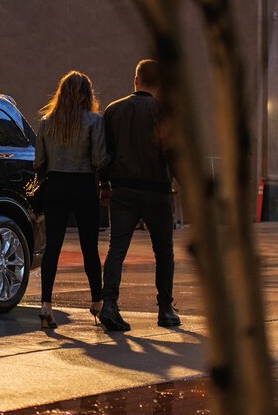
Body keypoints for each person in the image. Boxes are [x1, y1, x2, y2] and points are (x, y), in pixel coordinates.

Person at [98, 59, 179, 331]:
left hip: (123, 190)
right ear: (157, 84)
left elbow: (104, 153)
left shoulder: (113, 110)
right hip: (156, 191)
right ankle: (165, 309)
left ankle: (110, 304)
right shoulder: (164, 112)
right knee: (163, 251)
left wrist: (103, 184)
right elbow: (172, 154)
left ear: (136, 80)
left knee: (116, 249)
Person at [33, 71, 109, 329]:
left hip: (55, 185)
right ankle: (98, 302)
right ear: (87, 94)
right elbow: (99, 159)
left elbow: (39, 163)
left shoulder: (46, 122)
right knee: (89, 247)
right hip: (83, 185)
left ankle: (46, 304)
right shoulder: (94, 121)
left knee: (52, 246)